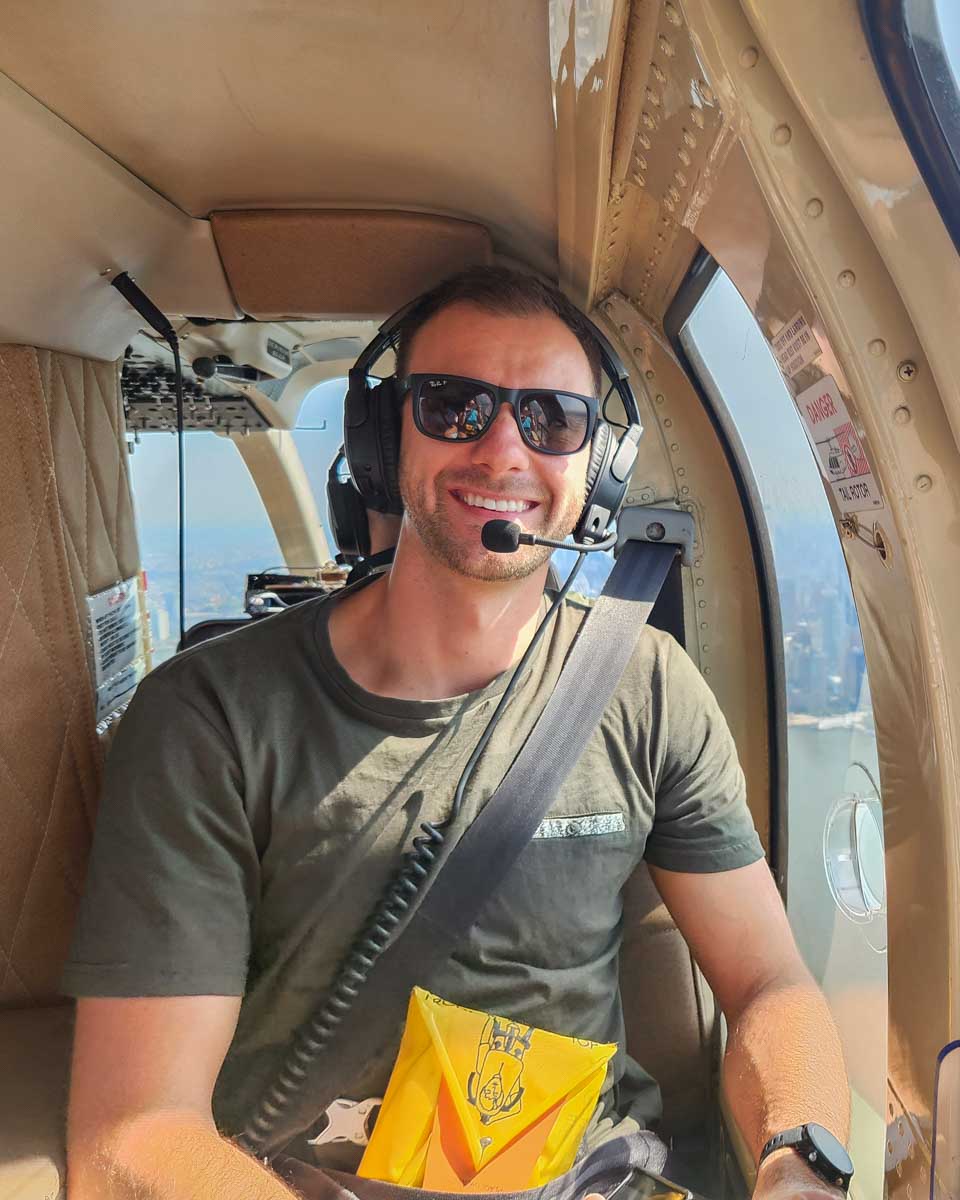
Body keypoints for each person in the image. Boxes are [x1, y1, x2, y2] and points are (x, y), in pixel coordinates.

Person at [64, 267, 850, 1200]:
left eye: (551, 418)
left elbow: (770, 985)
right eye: (454, 405)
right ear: (382, 435)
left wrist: (799, 1166)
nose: (504, 450)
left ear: (596, 465)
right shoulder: (210, 717)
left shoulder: (648, 689)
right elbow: (137, 1129)